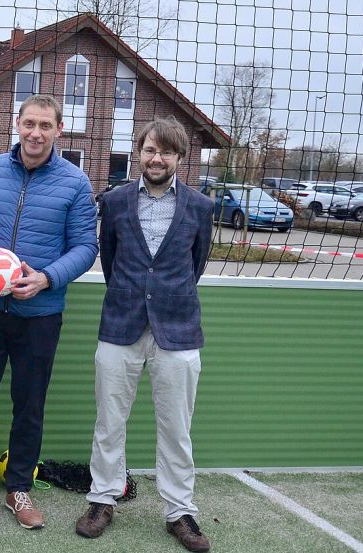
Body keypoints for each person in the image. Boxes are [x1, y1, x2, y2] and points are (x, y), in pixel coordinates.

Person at [0, 94, 98, 529]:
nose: (35, 133)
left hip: (40, 316)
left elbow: (86, 247)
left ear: (59, 130)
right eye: (29, 123)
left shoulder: (74, 183)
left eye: (45, 125)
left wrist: (46, 278)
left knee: (29, 404)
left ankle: (19, 488)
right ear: (17, 124)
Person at [75, 117, 214, 553]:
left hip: (178, 330)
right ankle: (102, 499)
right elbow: (112, 263)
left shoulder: (200, 207)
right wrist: (137, 297)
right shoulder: (114, 202)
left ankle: (179, 511)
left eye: (167, 152)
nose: (157, 158)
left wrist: (163, 298)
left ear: (180, 158)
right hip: (121, 326)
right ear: (139, 152)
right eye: (151, 150)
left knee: (177, 427)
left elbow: (196, 266)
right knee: (109, 422)